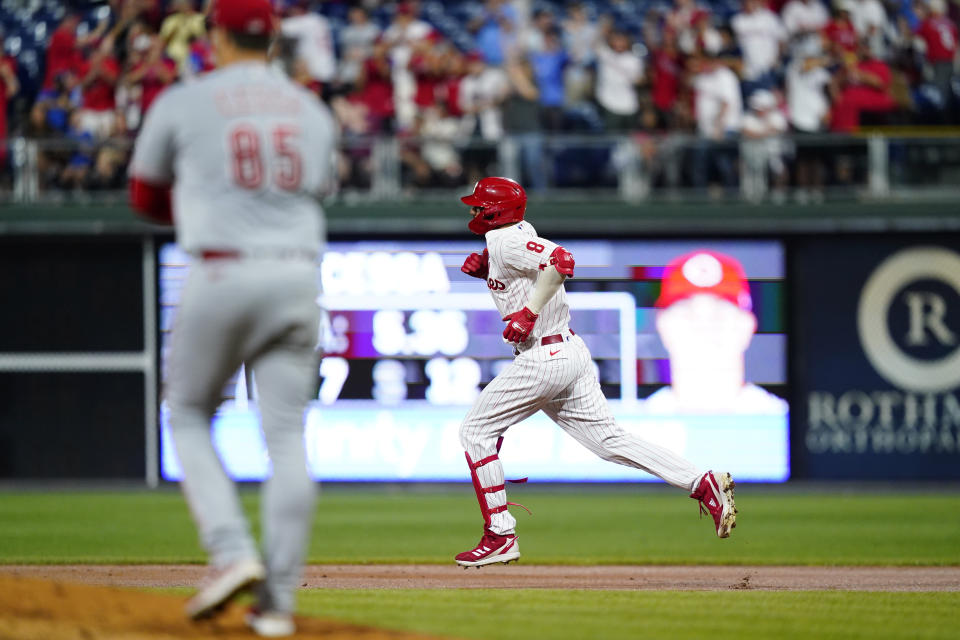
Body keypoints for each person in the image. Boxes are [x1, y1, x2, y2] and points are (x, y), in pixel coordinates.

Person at [127, 0, 336, 636]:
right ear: (271, 38)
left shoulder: (186, 100)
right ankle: (276, 607)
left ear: (215, 34)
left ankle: (229, 551)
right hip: (299, 274)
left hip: (222, 269)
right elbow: (316, 188)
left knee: (188, 413)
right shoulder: (309, 107)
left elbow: (143, 196)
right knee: (286, 439)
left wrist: (202, 200)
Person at [454, 177, 738, 567]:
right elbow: (534, 267)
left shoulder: (505, 240)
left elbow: (561, 261)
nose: (472, 210)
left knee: (475, 431)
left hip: (543, 358)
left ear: (494, 210)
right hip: (569, 351)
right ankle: (700, 481)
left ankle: (500, 533)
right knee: (608, 440)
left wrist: (527, 313)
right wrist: (491, 270)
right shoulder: (511, 238)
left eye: (478, 205)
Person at [644, 250, 789, 415]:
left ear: (747, 325)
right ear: (663, 325)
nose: (704, 326)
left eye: (719, 312)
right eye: (688, 312)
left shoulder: (781, 422)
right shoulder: (634, 427)